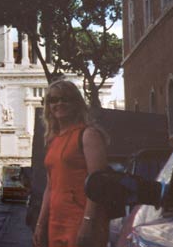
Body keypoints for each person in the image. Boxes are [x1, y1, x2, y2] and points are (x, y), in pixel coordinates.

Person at [33, 79, 109, 247]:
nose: (59, 103)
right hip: (56, 220)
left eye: (65, 98)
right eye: (53, 100)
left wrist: (88, 222)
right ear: (48, 106)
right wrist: (40, 224)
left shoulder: (88, 135)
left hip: (82, 218)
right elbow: (50, 187)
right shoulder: (53, 140)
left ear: (76, 103)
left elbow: (99, 183)